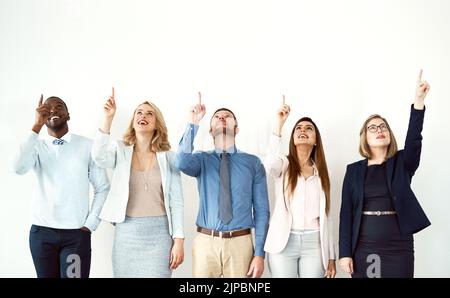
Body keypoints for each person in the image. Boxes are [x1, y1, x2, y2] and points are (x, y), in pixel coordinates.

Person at [339, 70, 431, 278]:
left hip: (398, 246)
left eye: (383, 126)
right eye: (372, 128)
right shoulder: (353, 171)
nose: (379, 130)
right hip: (364, 246)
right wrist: (345, 253)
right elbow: (346, 213)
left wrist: (418, 102)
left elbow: (414, 139)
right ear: (364, 137)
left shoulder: (402, 163)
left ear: (389, 134)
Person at [13, 95, 110, 278]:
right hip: (42, 234)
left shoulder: (87, 146)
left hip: (75, 236)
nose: (53, 110)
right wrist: (36, 126)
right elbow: (18, 168)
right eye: (48, 108)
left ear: (68, 115)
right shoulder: (36, 147)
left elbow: (102, 187)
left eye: (59, 107)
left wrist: (91, 223)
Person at [91, 88, 184, 277]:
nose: (143, 116)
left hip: (160, 235)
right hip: (126, 233)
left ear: (157, 123)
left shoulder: (169, 158)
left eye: (150, 113)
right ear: (133, 121)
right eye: (139, 112)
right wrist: (108, 119)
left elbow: (177, 201)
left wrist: (179, 240)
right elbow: (98, 157)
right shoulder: (120, 150)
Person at [175, 92, 270, 278]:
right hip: (205, 242)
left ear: (237, 128)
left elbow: (262, 211)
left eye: (228, 116)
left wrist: (259, 253)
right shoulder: (201, 159)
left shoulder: (253, 163)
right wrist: (193, 123)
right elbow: (181, 162)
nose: (222, 118)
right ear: (210, 130)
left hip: (241, 243)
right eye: (217, 117)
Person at [263, 96, 336, 278]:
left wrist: (332, 256)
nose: (303, 130)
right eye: (298, 128)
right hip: (283, 242)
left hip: (315, 243)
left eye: (309, 129)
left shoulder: (322, 173)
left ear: (316, 140)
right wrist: (279, 125)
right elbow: (268, 163)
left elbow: (328, 217)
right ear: (293, 138)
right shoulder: (284, 164)